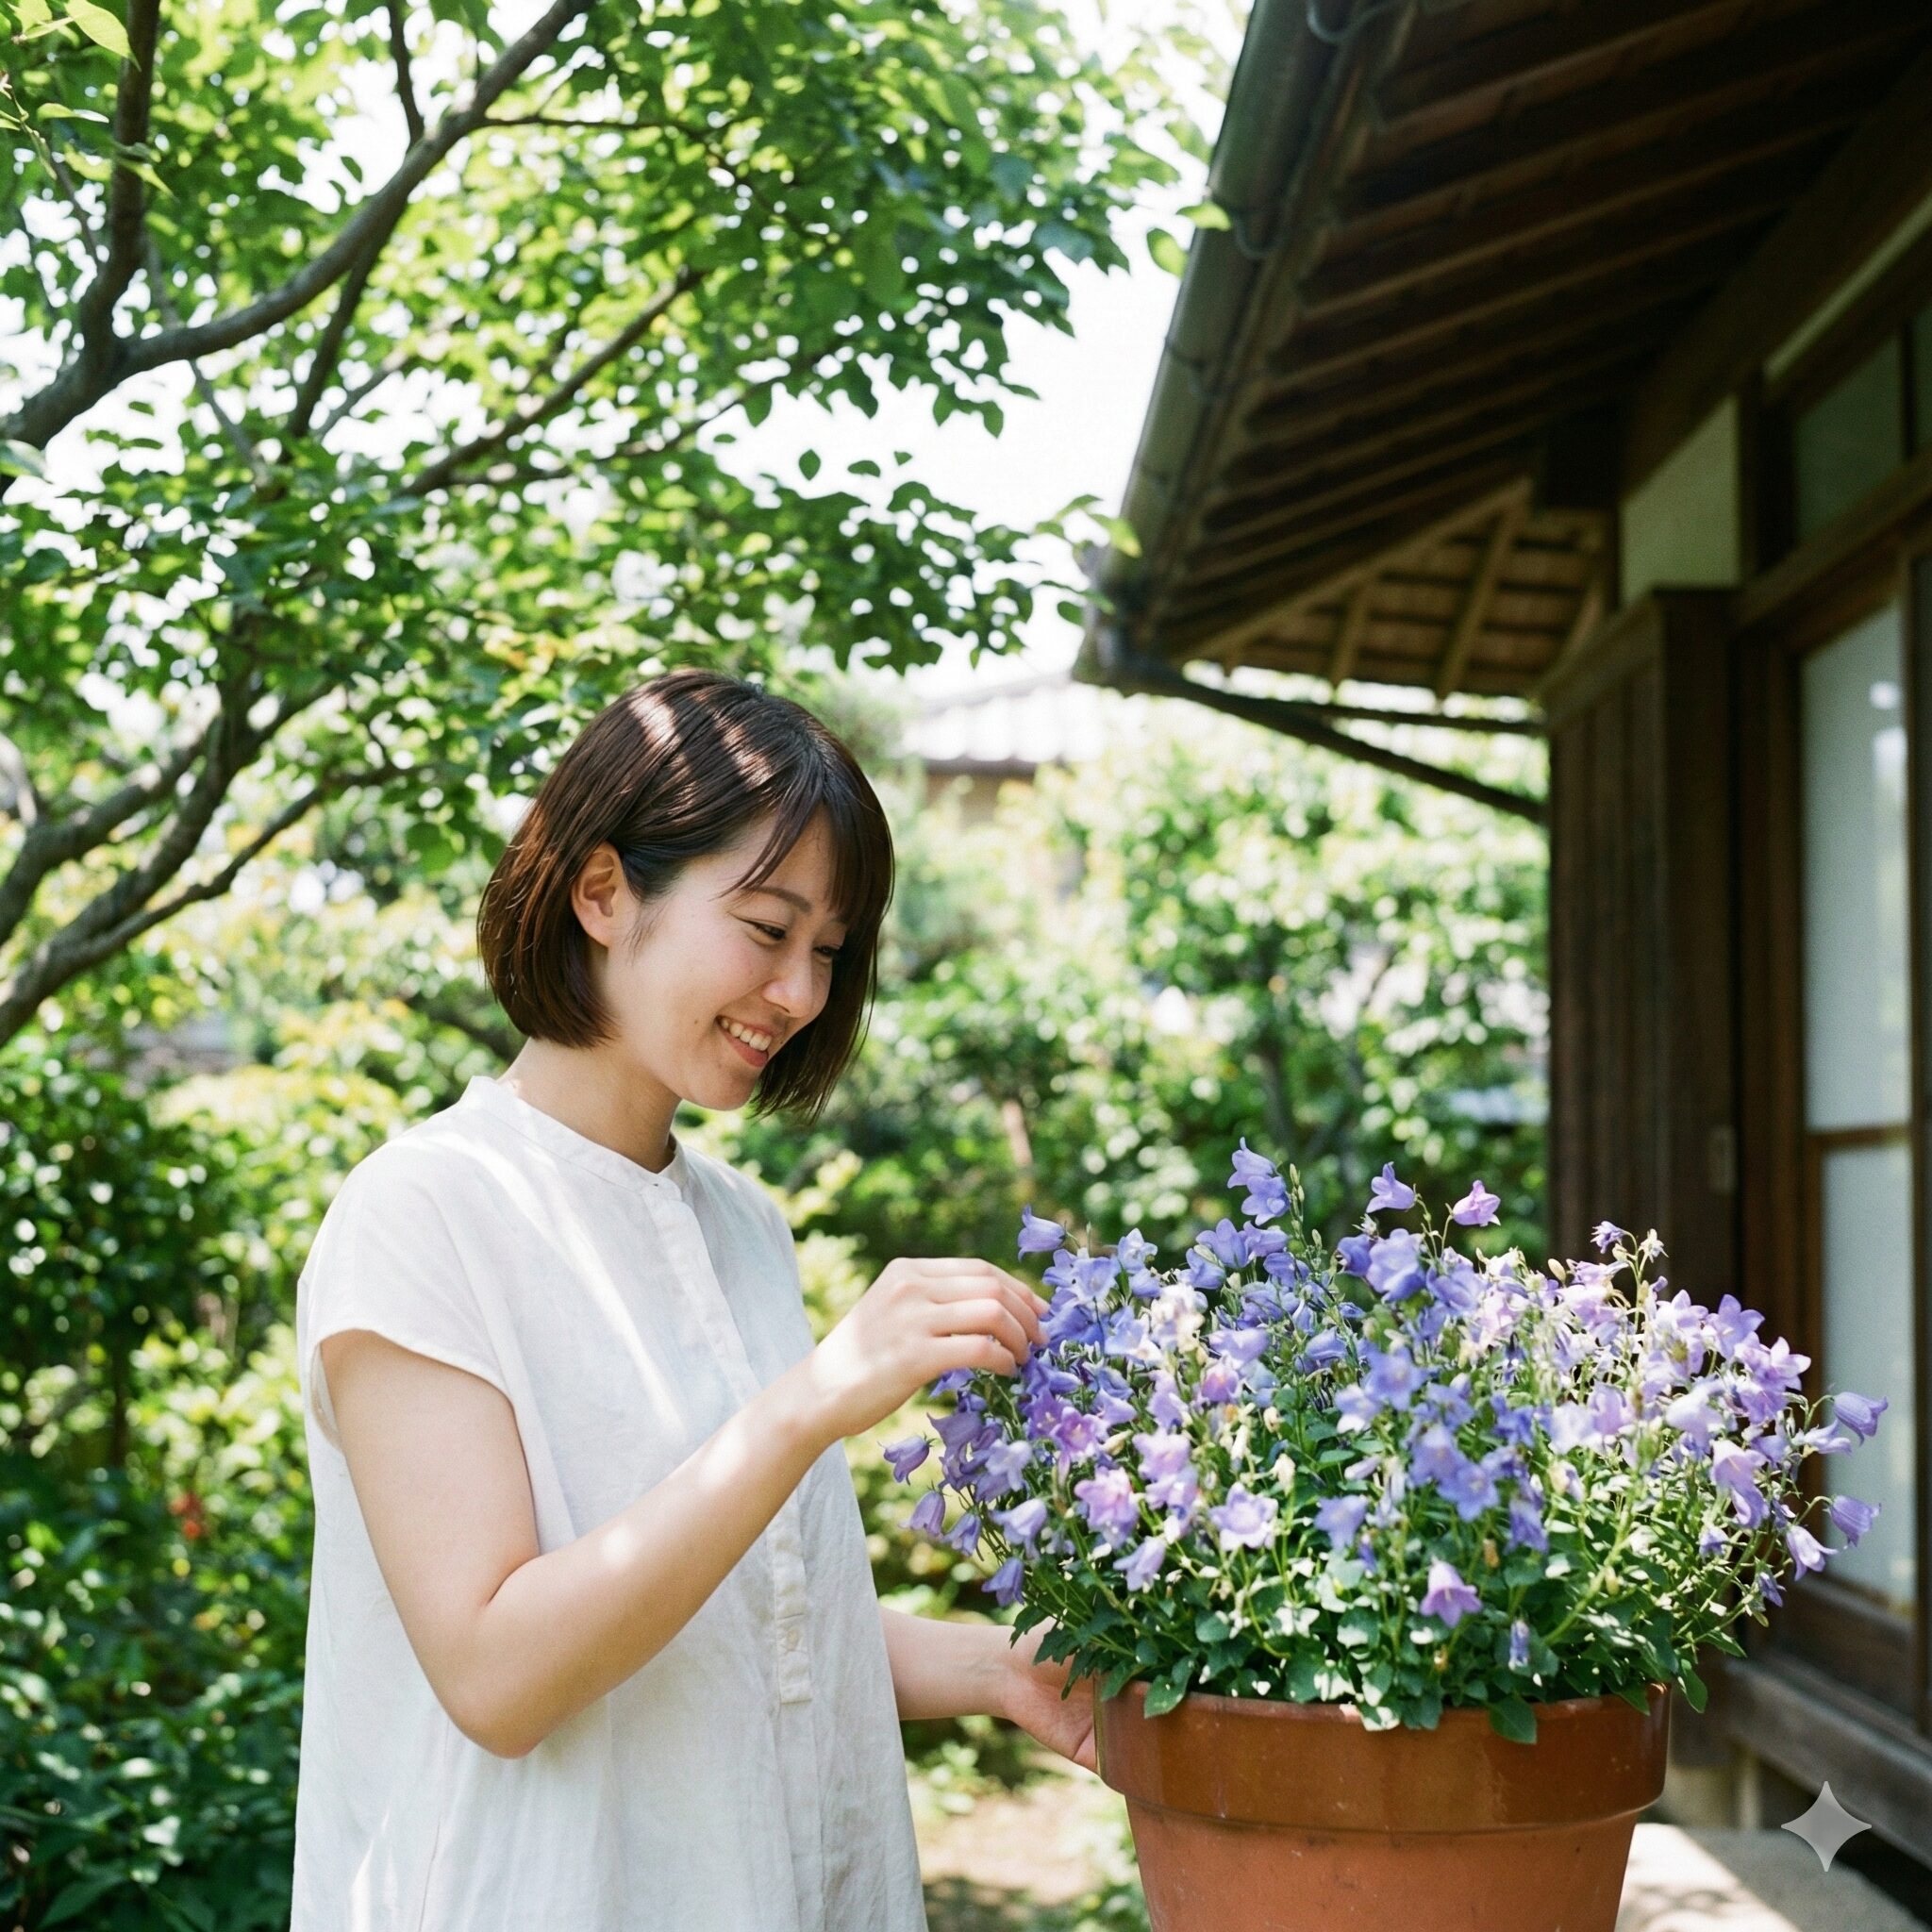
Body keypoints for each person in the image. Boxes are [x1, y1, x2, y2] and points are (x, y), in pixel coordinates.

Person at [290, 669, 1093, 1932]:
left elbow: (748, 1619)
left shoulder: (740, 1227)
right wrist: (810, 1404)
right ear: (602, 892)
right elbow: (498, 1675)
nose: (804, 994)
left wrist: (1000, 1668)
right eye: (768, 931)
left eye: (830, 952)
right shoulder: (424, 1213)